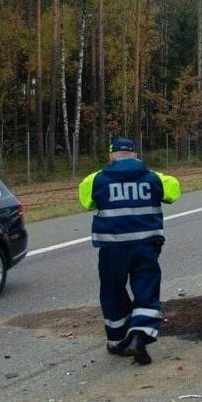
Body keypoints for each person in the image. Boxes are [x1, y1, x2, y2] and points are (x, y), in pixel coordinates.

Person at [78, 138, 180, 365]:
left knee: (112, 291)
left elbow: (86, 203)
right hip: (146, 247)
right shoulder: (155, 178)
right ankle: (139, 336)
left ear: (111, 156)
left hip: (112, 249)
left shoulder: (95, 180)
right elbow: (174, 192)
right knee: (146, 290)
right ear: (135, 155)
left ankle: (116, 341)